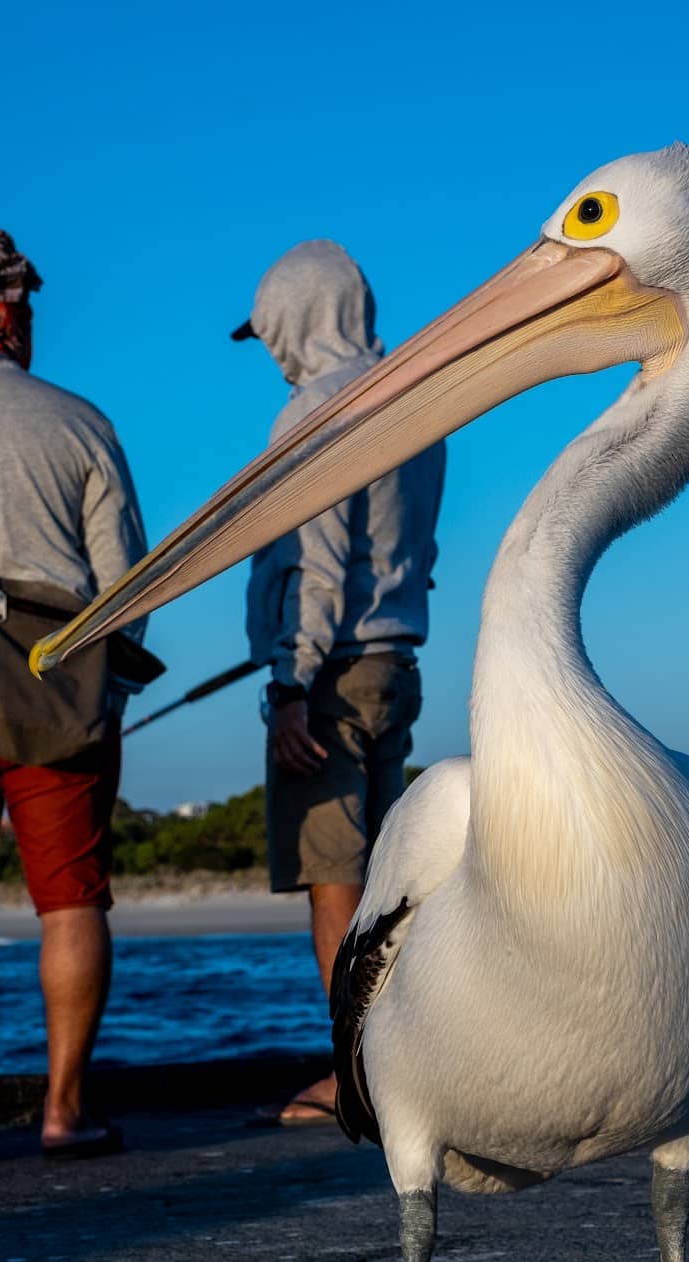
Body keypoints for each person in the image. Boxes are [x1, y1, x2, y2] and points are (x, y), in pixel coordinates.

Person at [235, 240, 445, 1124]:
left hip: (329, 675)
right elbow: (417, 552)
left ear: (296, 316)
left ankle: (354, 1077)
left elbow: (315, 564)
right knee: (393, 882)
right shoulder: (416, 398)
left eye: (270, 331)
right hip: (395, 664)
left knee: (337, 877)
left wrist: (289, 684)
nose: (272, 350)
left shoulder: (312, 411)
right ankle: (411, 1063)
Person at [0, 224, 148, 1162]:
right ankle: (65, 1114)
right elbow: (128, 586)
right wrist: (108, 692)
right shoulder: (79, 423)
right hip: (58, 698)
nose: (30, 321)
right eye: (23, 305)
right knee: (71, 902)